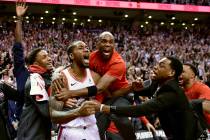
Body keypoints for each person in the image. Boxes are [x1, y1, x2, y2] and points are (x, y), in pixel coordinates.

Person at [92, 57, 203, 140]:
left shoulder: (171, 92)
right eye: (157, 64)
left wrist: (104, 108)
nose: (155, 67)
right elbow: (139, 89)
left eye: (161, 66)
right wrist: (133, 87)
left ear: (171, 73)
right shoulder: (157, 83)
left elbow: (140, 109)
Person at [54, 31, 136, 140]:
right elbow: (73, 66)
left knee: (119, 117)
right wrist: (56, 72)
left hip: (119, 94)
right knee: (97, 127)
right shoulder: (91, 57)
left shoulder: (118, 63)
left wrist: (70, 93)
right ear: (97, 44)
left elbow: (99, 88)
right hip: (105, 96)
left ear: (114, 45)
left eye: (111, 42)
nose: (107, 44)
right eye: (104, 41)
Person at [52, 41, 101, 140]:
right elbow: (53, 115)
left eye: (87, 47)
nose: (86, 49)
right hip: (70, 130)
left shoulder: (95, 76)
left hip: (92, 129)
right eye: (81, 48)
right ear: (71, 55)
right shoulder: (61, 77)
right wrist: (76, 111)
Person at [179, 63, 210, 130]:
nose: (179, 74)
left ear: (192, 75)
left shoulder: (201, 88)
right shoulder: (180, 92)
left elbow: (208, 106)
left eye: (182, 72)